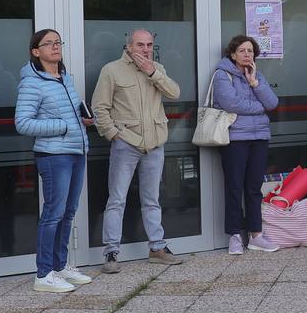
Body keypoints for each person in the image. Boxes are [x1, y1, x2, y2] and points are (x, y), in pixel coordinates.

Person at [91, 28, 184, 272]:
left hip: (154, 143)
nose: (145, 49)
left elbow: (175, 93)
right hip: (126, 142)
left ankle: (157, 248)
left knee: (152, 199)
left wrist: (152, 73)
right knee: (117, 199)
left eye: (149, 45)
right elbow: (99, 108)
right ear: (129, 46)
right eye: (140, 45)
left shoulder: (157, 69)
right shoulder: (111, 70)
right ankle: (111, 252)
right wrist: (114, 134)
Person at [15, 29, 95, 293]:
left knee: (68, 212)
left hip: (76, 151)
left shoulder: (65, 78)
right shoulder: (31, 83)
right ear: (35, 52)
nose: (55, 47)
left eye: (58, 42)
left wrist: (82, 121)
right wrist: (62, 126)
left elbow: (70, 114)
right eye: (48, 43)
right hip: (53, 155)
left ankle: (60, 267)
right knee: (53, 214)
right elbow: (23, 123)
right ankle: (43, 273)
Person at [211, 35, 280, 256]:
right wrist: (259, 107)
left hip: (259, 137)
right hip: (235, 139)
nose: (247, 54)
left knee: (253, 189)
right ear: (232, 54)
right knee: (234, 187)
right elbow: (231, 103)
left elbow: (273, 103)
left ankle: (256, 236)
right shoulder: (222, 75)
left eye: (250, 51)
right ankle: (234, 235)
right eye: (242, 50)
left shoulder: (257, 75)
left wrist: (255, 84)